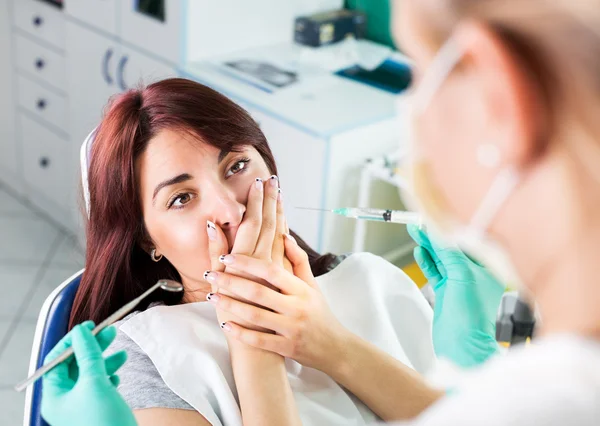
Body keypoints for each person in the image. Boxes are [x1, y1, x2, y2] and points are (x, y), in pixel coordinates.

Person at [53, 77, 501, 426]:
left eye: (237, 165)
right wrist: (254, 344)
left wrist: (335, 347)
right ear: (146, 239)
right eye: (181, 198)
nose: (231, 209)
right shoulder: (142, 358)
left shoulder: (371, 276)